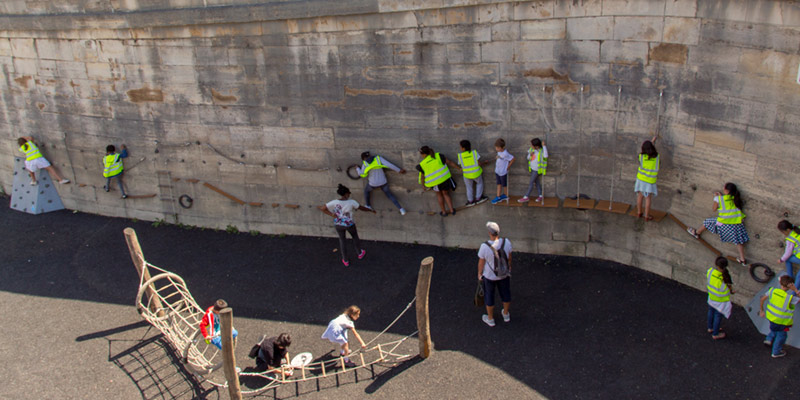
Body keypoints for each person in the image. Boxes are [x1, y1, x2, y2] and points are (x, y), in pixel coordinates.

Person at [686, 182, 749, 265]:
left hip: (723, 223)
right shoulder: (736, 198)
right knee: (738, 241)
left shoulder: (720, 199)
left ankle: (696, 233)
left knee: (708, 222)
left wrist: (716, 198)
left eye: (724, 188)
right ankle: (742, 259)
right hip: (737, 224)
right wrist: (720, 197)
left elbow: (714, 209)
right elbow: (727, 203)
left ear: (726, 190)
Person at [318, 184, 375, 267]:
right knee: (355, 237)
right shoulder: (351, 202)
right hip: (349, 224)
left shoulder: (334, 202)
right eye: (349, 193)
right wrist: (370, 210)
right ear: (346, 194)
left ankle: (345, 260)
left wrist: (331, 214)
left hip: (338, 224)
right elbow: (362, 208)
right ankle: (359, 253)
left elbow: (323, 208)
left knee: (342, 241)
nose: (349, 195)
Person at [478, 221, 512, 327]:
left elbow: (481, 262)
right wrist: (509, 268)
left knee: (489, 295)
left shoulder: (484, 246)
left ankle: (490, 318)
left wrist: (479, 273)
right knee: (505, 293)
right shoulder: (507, 242)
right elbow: (509, 258)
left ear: (489, 233)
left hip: (489, 276)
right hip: (504, 274)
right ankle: (506, 314)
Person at [758, 275, 799, 358]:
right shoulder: (789, 298)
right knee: (782, 336)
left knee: (773, 328)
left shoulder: (772, 291)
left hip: (771, 317)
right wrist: (795, 290)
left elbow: (762, 299)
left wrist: (762, 310)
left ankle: (769, 339)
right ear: (790, 286)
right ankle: (776, 352)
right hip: (782, 322)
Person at [357, 151, 407, 215]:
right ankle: (401, 209)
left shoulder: (365, 164)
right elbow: (389, 165)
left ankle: (368, 205)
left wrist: (357, 169)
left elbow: (362, 174)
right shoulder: (378, 158)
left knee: (366, 191)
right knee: (389, 195)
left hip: (373, 184)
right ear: (370, 155)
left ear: (364, 158)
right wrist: (399, 170)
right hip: (383, 182)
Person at [446, 140, 490, 206]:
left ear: (463, 148)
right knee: (479, 183)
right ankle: (478, 198)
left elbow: (461, 164)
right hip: (476, 173)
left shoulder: (460, 156)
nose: (460, 148)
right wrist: (485, 162)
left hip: (466, 175)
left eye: (460, 147)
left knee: (469, 187)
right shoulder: (474, 153)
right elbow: (479, 163)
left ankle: (470, 201)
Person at [416, 146, 457, 216]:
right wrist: (459, 168)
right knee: (446, 194)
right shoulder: (438, 156)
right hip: (444, 180)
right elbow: (449, 162)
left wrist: (423, 185)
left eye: (421, 154)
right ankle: (452, 210)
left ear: (424, 154)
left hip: (435, 183)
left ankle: (443, 212)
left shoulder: (422, 164)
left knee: (439, 195)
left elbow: (422, 177)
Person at [706, 256, 734, 340]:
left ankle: (710, 328)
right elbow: (728, 289)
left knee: (711, 312)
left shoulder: (710, 272)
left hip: (711, 297)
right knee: (718, 316)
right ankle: (715, 333)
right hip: (720, 300)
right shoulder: (724, 278)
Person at [635, 136, 659, 220]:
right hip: (649, 181)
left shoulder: (641, 156)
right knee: (648, 198)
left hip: (641, 179)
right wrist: (652, 141)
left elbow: (646, 149)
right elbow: (650, 148)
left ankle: (639, 212)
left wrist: (652, 141)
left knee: (640, 196)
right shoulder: (656, 157)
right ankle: (647, 216)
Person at [519, 138, 547, 203]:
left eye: (532, 145)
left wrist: (544, 146)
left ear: (536, 146)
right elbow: (528, 158)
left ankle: (526, 196)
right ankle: (540, 195)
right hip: (532, 168)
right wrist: (530, 155)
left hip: (537, 170)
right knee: (536, 182)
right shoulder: (532, 150)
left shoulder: (542, 151)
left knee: (531, 183)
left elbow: (546, 156)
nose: (531, 146)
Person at [491, 138, 515, 205]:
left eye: (498, 148)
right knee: (498, 184)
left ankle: (505, 195)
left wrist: (508, 167)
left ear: (502, 147)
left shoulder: (505, 154)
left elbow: (513, 159)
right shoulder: (499, 152)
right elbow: (499, 157)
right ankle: (498, 196)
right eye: (496, 147)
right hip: (498, 171)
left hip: (503, 172)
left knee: (504, 184)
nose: (496, 149)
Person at [777, 220, 800, 288]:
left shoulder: (790, 239)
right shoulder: (798, 229)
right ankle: (790, 280)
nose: (783, 233)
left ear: (788, 230)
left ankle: (791, 284)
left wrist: (781, 260)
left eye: (783, 232)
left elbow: (788, 253)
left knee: (787, 259)